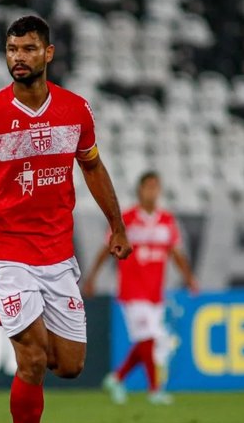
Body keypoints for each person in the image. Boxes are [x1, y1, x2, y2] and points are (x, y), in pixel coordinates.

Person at [0, 15, 132, 423]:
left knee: (68, 366)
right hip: (5, 249)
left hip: (55, 252)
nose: (18, 58)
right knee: (31, 361)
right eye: (11, 49)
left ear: (48, 53)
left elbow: (92, 167)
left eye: (28, 49)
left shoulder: (75, 110)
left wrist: (117, 224)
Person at [83, 171, 198, 405]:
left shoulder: (166, 220)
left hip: (155, 291)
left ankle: (116, 378)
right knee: (148, 339)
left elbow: (176, 253)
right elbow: (107, 249)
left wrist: (189, 278)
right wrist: (92, 277)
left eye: (156, 187)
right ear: (140, 190)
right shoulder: (127, 219)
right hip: (132, 289)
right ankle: (154, 390)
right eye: (148, 186)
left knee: (148, 341)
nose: (152, 191)